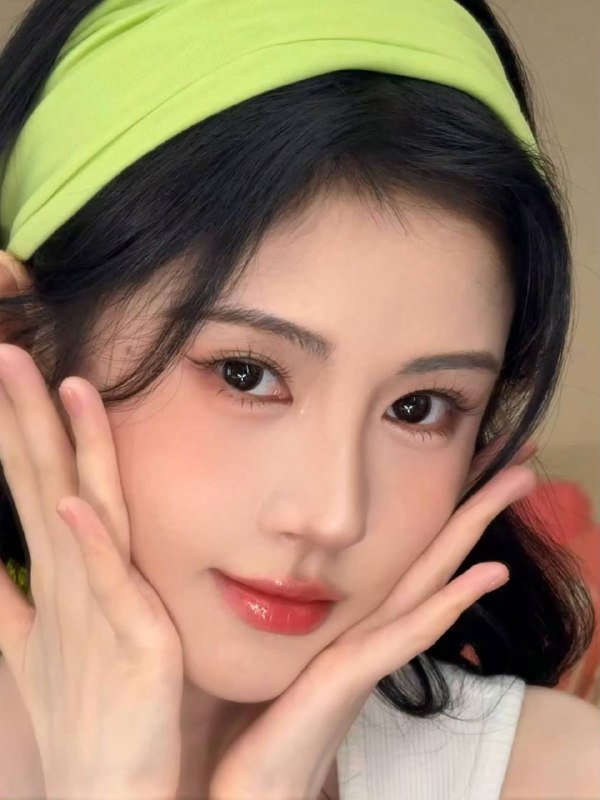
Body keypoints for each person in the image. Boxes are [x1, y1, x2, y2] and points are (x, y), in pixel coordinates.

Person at [0, 1, 598, 798]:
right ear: (19, 340)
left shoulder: (558, 774)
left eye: (419, 408)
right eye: (246, 373)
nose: (332, 516)